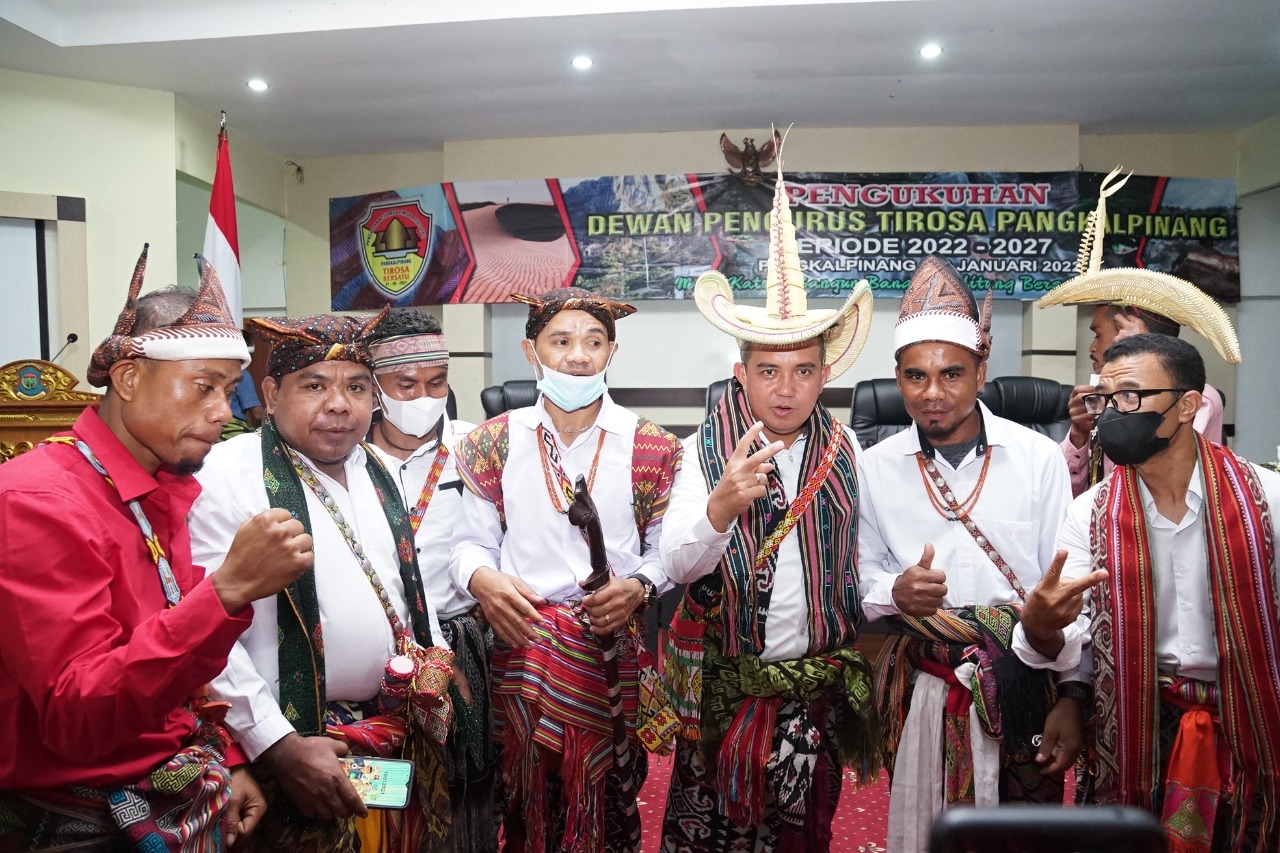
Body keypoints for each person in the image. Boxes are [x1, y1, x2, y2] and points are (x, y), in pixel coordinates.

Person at [0, 247, 313, 850]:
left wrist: (228, 755)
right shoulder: (37, 501)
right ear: (129, 378)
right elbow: (78, 719)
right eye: (203, 387)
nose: (224, 412)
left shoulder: (159, 485)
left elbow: (175, 660)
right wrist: (227, 591)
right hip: (77, 819)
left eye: (230, 388)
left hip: (177, 782)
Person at [659, 158, 881, 851]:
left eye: (804, 370)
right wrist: (721, 504)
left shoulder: (849, 454)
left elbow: (865, 564)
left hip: (810, 697)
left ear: (825, 374)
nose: (786, 389)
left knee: (802, 837)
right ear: (741, 373)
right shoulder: (700, 448)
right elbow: (676, 566)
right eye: (768, 371)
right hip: (721, 698)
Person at [188, 311, 455, 853]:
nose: (339, 404)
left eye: (357, 387)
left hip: (388, 731)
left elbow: (401, 588)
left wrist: (436, 655)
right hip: (289, 743)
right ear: (270, 392)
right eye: (315, 386)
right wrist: (278, 745)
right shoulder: (223, 475)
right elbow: (209, 635)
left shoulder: (375, 465)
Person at [1017, 332, 1279, 852]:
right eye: (1103, 399)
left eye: (1130, 397)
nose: (1111, 414)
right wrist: (1041, 628)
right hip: (1136, 719)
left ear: (1187, 406)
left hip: (1253, 716)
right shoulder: (1090, 513)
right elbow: (1076, 636)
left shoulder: (1265, 503)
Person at [856, 254, 1083, 853]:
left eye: (952, 374)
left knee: (1025, 830)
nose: (933, 394)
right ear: (897, 377)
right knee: (927, 826)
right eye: (915, 377)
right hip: (924, 681)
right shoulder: (872, 467)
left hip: (1022, 675)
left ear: (982, 372)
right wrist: (893, 592)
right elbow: (858, 574)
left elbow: (1067, 592)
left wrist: (1074, 696)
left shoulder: (1038, 458)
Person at [451, 287, 682, 853]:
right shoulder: (492, 443)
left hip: (610, 645)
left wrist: (640, 586)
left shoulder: (652, 446)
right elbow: (468, 545)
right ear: (531, 350)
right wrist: (482, 580)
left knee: (611, 794)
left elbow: (667, 553)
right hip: (522, 644)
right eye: (561, 340)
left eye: (594, 342)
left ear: (612, 352)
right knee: (524, 797)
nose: (578, 355)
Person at [365, 308, 494, 853]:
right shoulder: (343, 457)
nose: (424, 396)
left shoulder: (478, 448)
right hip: (376, 649)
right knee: (383, 787)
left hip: (462, 641)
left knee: (465, 786)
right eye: (406, 385)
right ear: (373, 388)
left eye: (437, 382)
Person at [1038, 168, 1232, 496]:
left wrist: (1140, 358)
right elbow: (1062, 493)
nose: (1092, 348)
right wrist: (1079, 436)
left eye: (1099, 334)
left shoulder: (1198, 398)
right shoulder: (1104, 401)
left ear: (1129, 334)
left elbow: (1162, 471)